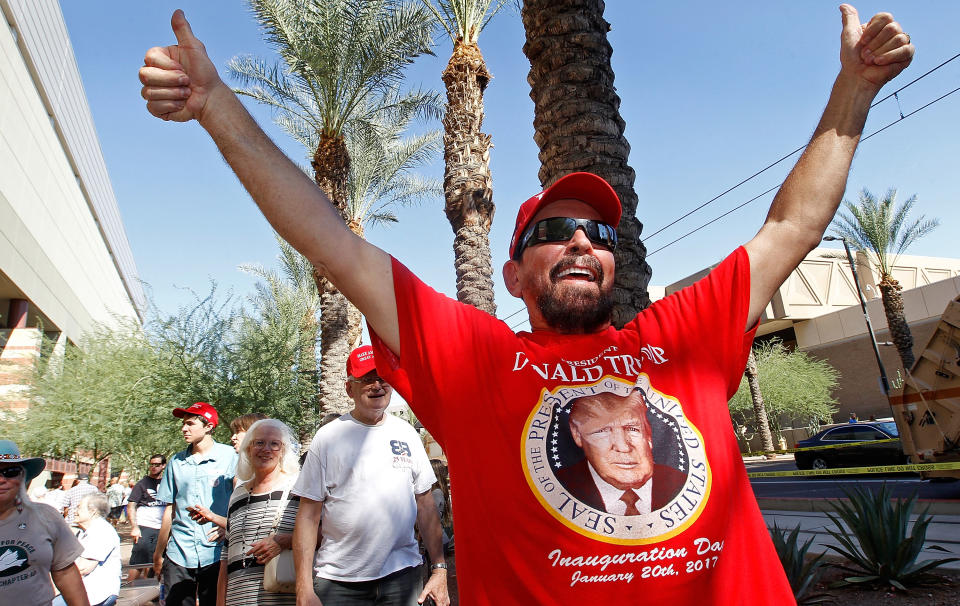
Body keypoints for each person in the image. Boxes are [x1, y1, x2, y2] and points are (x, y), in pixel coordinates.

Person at [138, 6, 914, 603]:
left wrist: (854, 87)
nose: (582, 242)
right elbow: (332, 242)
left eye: (598, 231)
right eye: (554, 231)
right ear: (512, 275)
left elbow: (792, 226)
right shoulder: (477, 359)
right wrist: (217, 108)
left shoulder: (680, 334)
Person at [292, 346, 449, 606]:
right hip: (338, 582)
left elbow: (426, 505)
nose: (376, 385)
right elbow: (308, 515)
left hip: (402, 577)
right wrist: (303, 588)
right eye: (366, 379)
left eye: (382, 377)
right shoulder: (328, 437)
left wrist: (440, 569)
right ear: (348, 389)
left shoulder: (407, 433)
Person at [154, 402, 237, 606]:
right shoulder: (176, 462)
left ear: (208, 426)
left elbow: (243, 502)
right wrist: (158, 552)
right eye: (183, 424)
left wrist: (227, 526)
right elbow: (170, 508)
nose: (184, 428)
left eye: (190, 424)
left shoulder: (231, 457)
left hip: (217, 552)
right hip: (179, 552)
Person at [558, 388, 685, 515]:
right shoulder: (559, 489)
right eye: (603, 431)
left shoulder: (682, 484)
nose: (623, 447)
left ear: (648, 435)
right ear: (577, 435)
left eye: (632, 429)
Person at [217, 419, 300, 606]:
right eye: (259, 443)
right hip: (237, 599)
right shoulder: (237, 495)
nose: (266, 449)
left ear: (284, 451)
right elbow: (226, 558)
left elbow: (324, 536)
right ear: (248, 449)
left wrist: (285, 541)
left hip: (283, 599)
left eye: (274, 444)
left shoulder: (299, 489)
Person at [0, 440, 88, 606]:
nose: (2, 479)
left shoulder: (46, 517)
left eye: (10, 472)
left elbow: (65, 573)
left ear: (22, 478)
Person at [53, 493, 122, 606]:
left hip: (95, 593)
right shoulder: (87, 531)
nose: (74, 511)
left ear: (92, 511)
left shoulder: (101, 531)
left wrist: (54, 589)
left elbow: (83, 568)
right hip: (84, 589)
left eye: (79, 507)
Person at [126, 454, 167, 582]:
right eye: (151, 464)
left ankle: (151, 594)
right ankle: (129, 588)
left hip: (162, 528)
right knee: (138, 560)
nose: (153, 467)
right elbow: (131, 505)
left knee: (156, 560)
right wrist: (134, 527)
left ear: (163, 465)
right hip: (145, 527)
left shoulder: (167, 483)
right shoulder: (142, 484)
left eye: (157, 465)